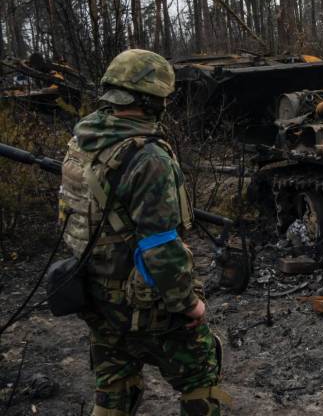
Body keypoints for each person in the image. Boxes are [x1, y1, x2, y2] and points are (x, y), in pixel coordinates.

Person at [59, 49, 229, 416]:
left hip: (95, 295)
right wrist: (188, 304)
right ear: (155, 100)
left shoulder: (84, 141)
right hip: (144, 304)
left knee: (114, 384)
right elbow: (160, 246)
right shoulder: (148, 158)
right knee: (201, 377)